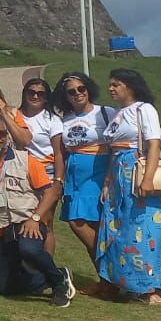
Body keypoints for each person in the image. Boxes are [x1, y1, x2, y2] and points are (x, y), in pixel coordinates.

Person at [0, 114, 72, 305]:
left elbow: (50, 193)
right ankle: (57, 275)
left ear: (7, 135)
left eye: (1, 133)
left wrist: (35, 218)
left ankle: (59, 284)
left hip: (26, 223)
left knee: (28, 249)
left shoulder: (26, 160)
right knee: (3, 287)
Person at [95, 69, 161, 305]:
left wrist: (148, 178)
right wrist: (108, 182)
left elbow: (154, 144)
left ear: (130, 86)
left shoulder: (145, 109)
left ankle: (153, 288)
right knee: (122, 229)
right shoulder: (118, 114)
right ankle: (129, 283)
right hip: (118, 174)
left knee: (144, 227)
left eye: (116, 84)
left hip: (136, 171)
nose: (111, 89)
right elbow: (113, 151)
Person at [50, 71, 114, 270]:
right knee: (78, 222)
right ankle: (106, 275)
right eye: (71, 92)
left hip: (98, 173)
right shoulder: (65, 120)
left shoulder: (106, 113)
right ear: (65, 97)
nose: (77, 93)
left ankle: (111, 269)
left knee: (85, 223)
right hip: (74, 177)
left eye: (81, 88)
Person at [18, 78, 66, 253]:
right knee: (20, 218)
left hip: (46, 173)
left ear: (46, 98)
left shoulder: (52, 120)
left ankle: (46, 262)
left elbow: (59, 153)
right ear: (24, 94)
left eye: (40, 94)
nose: (35, 96)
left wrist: (58, 181)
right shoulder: (14, 115)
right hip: (21, 172)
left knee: (45, 221)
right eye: (31, 92)